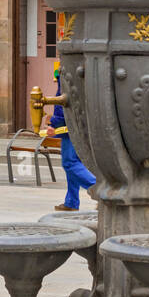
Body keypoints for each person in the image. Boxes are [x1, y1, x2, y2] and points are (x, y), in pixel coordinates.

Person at [48, 60, 96, 211]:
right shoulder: (84, 66)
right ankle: (71, 202)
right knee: (74, 161)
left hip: (71, 124)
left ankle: (99, 190)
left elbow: (64, 100)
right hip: (81, 121)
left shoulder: (68, 68)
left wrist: (55, 123)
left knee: (69, 163)